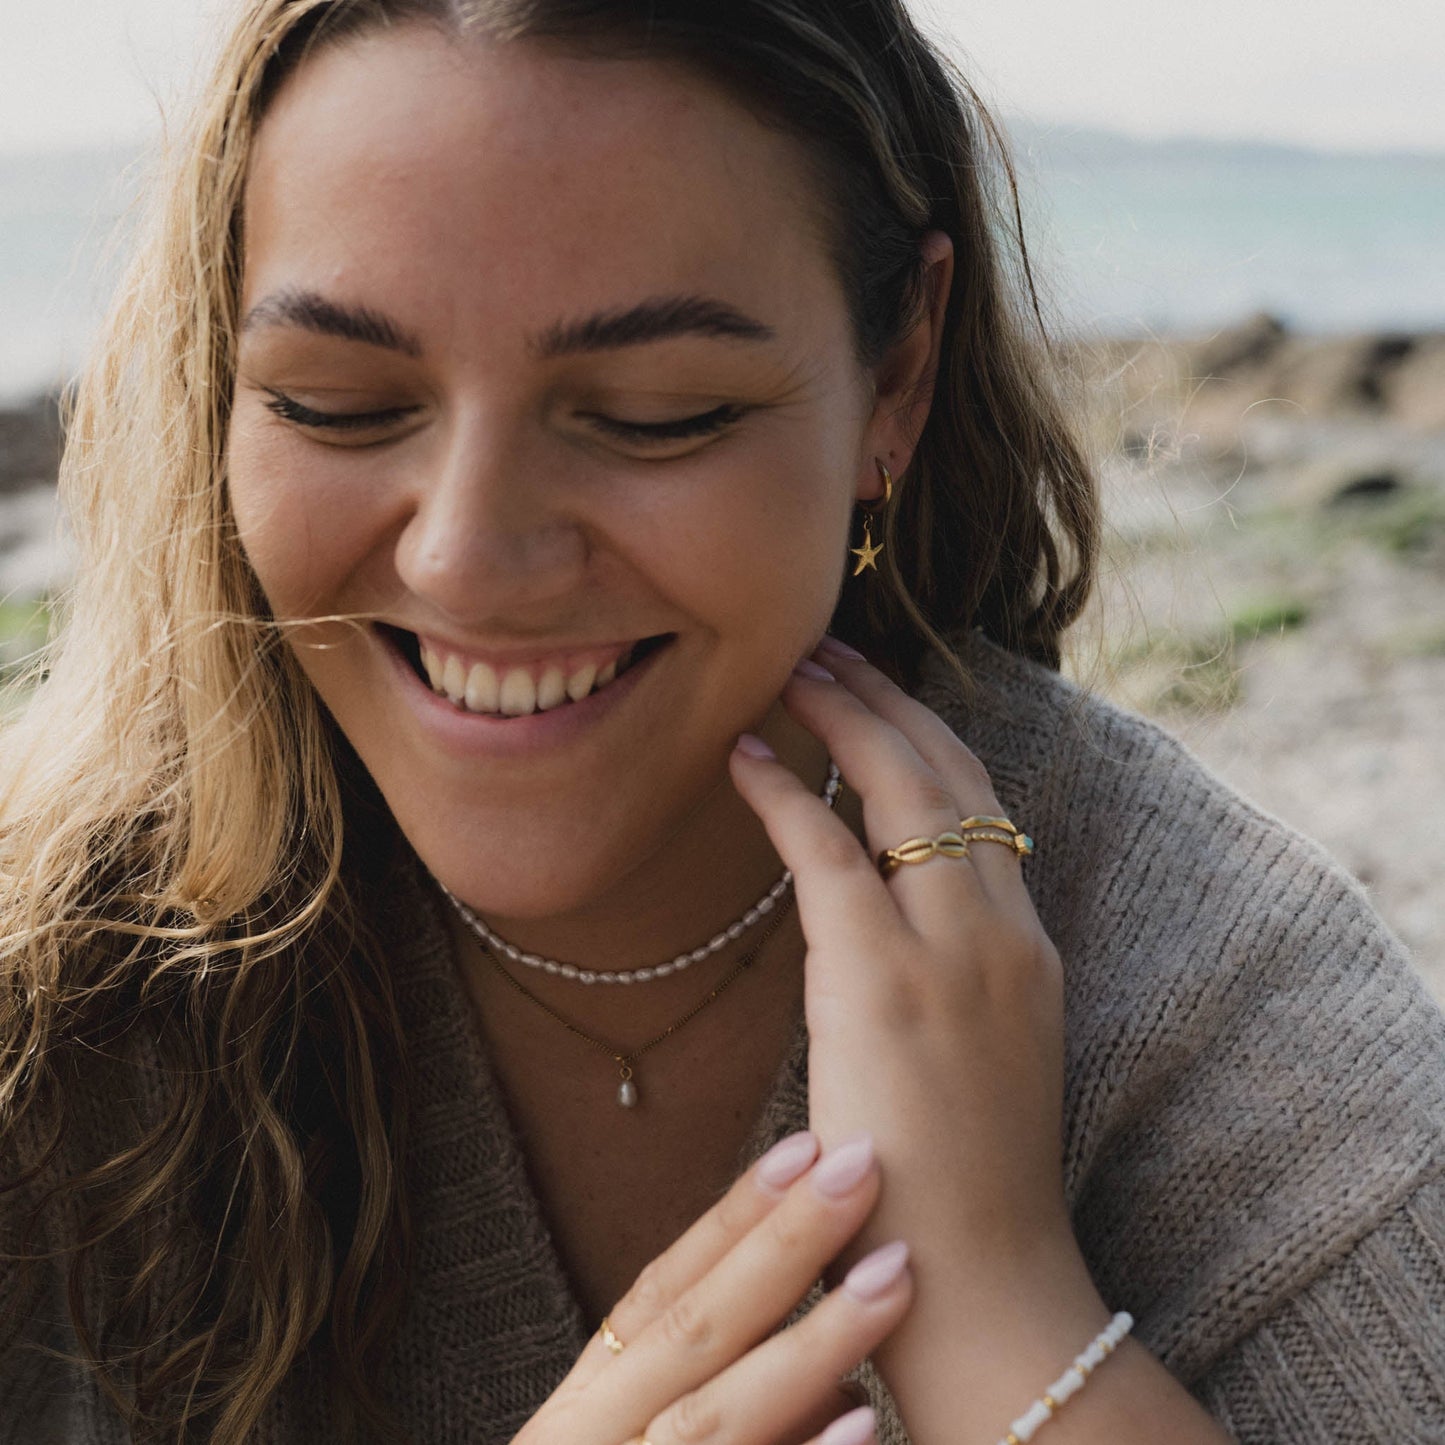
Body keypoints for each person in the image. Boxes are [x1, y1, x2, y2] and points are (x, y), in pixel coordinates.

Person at [2, 1, 1443, 1441]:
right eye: (339, 404)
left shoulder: (1240, 1036)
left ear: (897, 374)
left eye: (655, 413)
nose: (465, 558)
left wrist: (1002, 1316)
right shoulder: (50, 994)